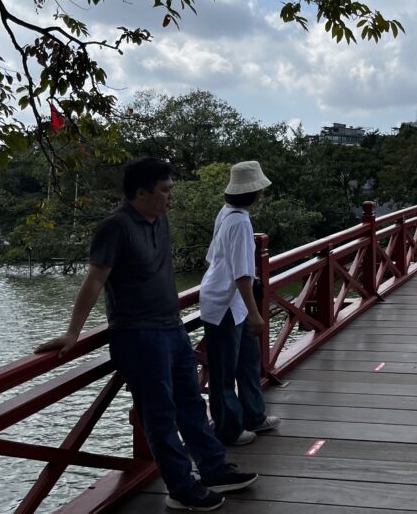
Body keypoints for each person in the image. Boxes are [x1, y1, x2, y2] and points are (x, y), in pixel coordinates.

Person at [36, 157, 256, 512]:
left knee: (192, 404)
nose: (170, 198)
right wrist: (72, 332)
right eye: (165, 190)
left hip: (172, 326)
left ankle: (214, 468)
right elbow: (94, 280)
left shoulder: (161, 220)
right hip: (138, 335)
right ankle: (181, 488)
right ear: (141, 192)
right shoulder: (116, 227)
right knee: (160, 414)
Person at [200, 161, 281, 447]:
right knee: (223, 372)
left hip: (230, 301)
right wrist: (255, 313)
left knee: (247, 362)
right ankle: (229, 429)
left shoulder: (227, 213)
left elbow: (215, 258)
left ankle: (254, 416)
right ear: (254, 191)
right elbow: (242, 275)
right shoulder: (239, 221)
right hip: (223, 303)